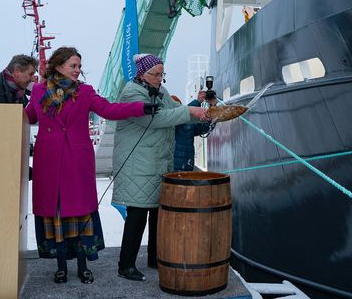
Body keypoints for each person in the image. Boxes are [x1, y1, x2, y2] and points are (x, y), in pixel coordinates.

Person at [24, 46, 158, 285]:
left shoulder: (85, 92)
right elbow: (28, 117)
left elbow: (109, 109)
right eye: (73, 66)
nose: (77, 70)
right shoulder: (38, 92)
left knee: (79, 214)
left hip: (76, 161)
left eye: (78, 66)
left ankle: (84, 267)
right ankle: (61, 267)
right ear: (58, 66)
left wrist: (141, 107)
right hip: (49, 161)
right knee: (56, 215)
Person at [112, 53, 209, 282]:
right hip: (138, 165)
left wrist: (202, 114)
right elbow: (156, 119)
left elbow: (176, 110)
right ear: (141, 74)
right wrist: (189, 111)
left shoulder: (161, 91)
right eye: (154, 74)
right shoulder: (131, 94)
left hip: (157, 163)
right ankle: (125, 265)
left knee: (157, 212)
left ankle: (155, 257)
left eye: (161, 74)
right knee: (137, 215)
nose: (158, 79)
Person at [173, 90, 217, 172]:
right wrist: (197, 102)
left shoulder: (187, 125)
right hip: (172, 169)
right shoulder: (169, 124)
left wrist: (212, 106)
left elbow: (206, 128)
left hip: (187, 167)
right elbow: (178, 117)